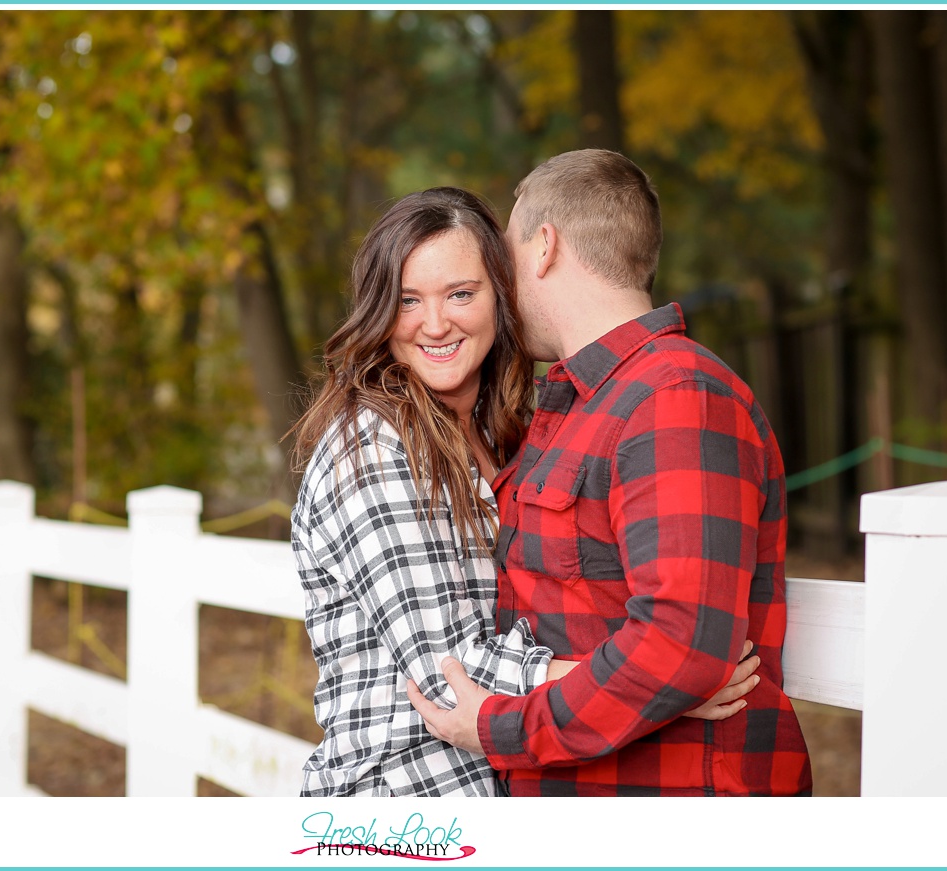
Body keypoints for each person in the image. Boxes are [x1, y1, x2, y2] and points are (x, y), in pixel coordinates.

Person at [290, 186, 758, 798]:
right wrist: (657, 684)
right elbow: (450, 670)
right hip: (407, 798)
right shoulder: (372, 446)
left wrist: (650, 681)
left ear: (501, 294)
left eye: (461, 293)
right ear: (379, 310)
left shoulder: (508, 434)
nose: (435, 324)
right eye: (408, 300)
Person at [407, 151, 813, 796]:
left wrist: (502, 728)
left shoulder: (675, 398)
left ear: (543, 248)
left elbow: (681, 645)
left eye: (506, 255)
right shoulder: (581, 406)